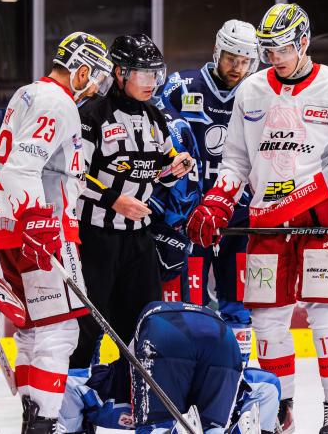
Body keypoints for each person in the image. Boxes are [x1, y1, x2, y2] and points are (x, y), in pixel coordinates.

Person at [186, 3, 328, 434]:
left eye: (283, 48)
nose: (275, 57)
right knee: (268, 321)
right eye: (268, 49)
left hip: (322, 217)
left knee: (325, 315)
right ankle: (277, 409)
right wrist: (218, 201)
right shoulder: (251, 91)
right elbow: (235, 159)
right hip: (266, 220)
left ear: (304, 41)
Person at [0, 31, 116, 434]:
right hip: (41, 231)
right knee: (59, 332)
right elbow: (22, 167)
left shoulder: (28, 93)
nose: (96, 87)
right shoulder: (58, 102)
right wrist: (36, 221)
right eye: (94, 76)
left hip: (5, 230)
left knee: (31, 331)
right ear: (80, 70)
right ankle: (45, 423)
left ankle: (34, 419)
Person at [69, 33, 194, 370]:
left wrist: (177, 167)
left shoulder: (155, 118)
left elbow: (160, 171)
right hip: (95, 238)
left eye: (155, 74)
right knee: (86, 328)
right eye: (143, 73)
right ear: (120, 72)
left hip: (139, 239)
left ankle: (140, 406)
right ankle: (77, 412)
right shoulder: (91, 115)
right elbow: (74, 176)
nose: (151, 82)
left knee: (145, 327)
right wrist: (113, 201)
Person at [156, 19, 260, 362]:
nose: (238, 67)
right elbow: (153, 122)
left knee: (240, 307)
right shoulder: (181, 85)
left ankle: (236, 375)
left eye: (246, 61)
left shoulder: (257, 92)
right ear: (218, 50)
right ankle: (193, 373)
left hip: (239, 214)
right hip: (191, 216)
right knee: (193, 305)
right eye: (232, 58)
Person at [59, 301, 282, 434]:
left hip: (163, 329)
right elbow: (269, 385)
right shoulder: (102, 392)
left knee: (157, 427)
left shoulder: (103, 393)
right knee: (211, 428)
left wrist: (71, 427)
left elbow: (68, 385)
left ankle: (170, 429)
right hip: (219, 335)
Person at [146, 109, 202, 304]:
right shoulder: (96, 112)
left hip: (157, 228)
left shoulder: (175, 125)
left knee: (172, 311)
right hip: (110, 227)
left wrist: (174, 232)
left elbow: (188, 187)